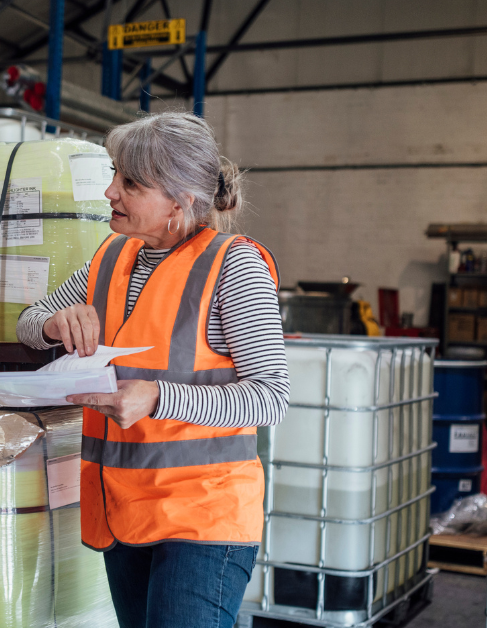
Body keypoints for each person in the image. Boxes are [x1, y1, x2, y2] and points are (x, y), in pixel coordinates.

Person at [16, 112, 290, 628]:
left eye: (130, 183)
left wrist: (159, 398)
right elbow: (26, 325)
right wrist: (54, 323)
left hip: (203, 518)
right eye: (115, 174)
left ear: (180, 200)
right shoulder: (111, 257)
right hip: (123, 511)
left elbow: (271, 395)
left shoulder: (234, 267)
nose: (110, 192)